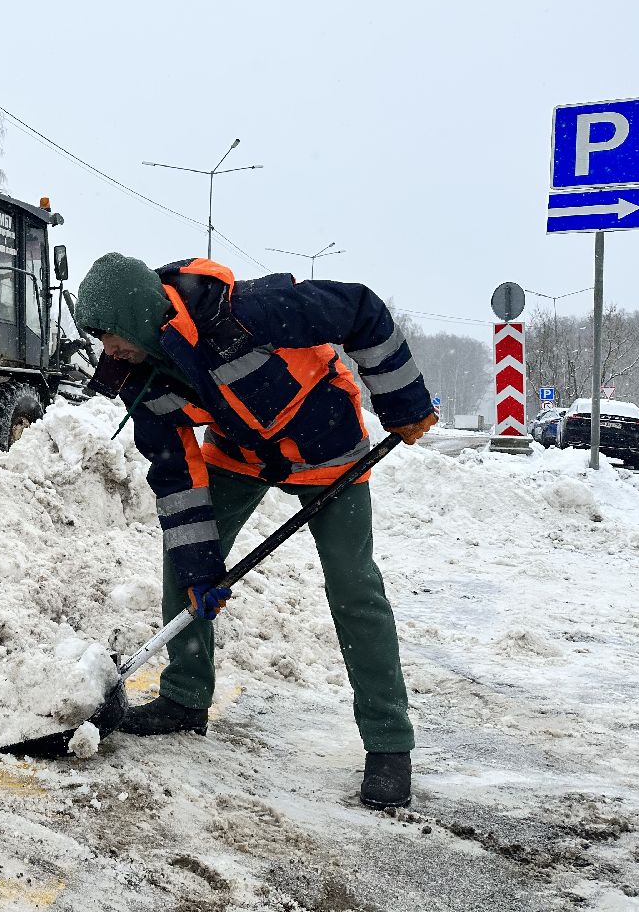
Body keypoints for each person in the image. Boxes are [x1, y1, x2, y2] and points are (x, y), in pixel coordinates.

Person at [72, 253, 436, 809]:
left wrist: (402, 398)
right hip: (241, 457)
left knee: (353, 585)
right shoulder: (140, 379)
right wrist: (200, 567)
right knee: (182, 561)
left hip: (329, 454)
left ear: (135, 313)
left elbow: (362, 309)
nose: (108, 350)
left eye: (110, 334)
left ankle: (388, 744)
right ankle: (185, 696)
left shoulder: (247, 311)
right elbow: (176, 473)